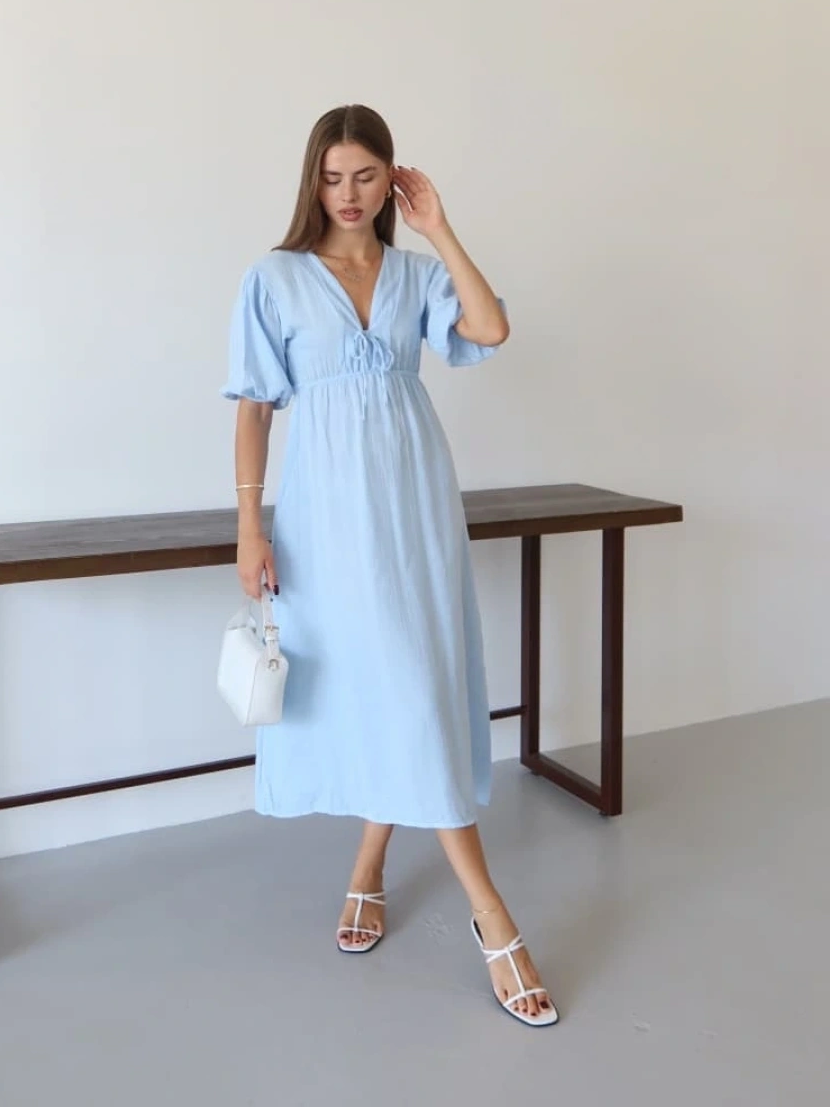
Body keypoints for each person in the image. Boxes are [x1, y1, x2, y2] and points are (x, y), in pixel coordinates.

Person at [221, 104, 557, 1027]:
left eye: (366, 175)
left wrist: (439, 227)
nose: (348, 193)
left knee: (414, 682)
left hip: (416, 507)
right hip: (326, 520)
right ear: (312, 181)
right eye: (332, 177)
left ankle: (372, 864)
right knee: (388, 685)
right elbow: (253, 408)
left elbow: (489, 329)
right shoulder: (276, 278)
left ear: (391, 179)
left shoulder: (414, 275)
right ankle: (493, 916)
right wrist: (249, 528)